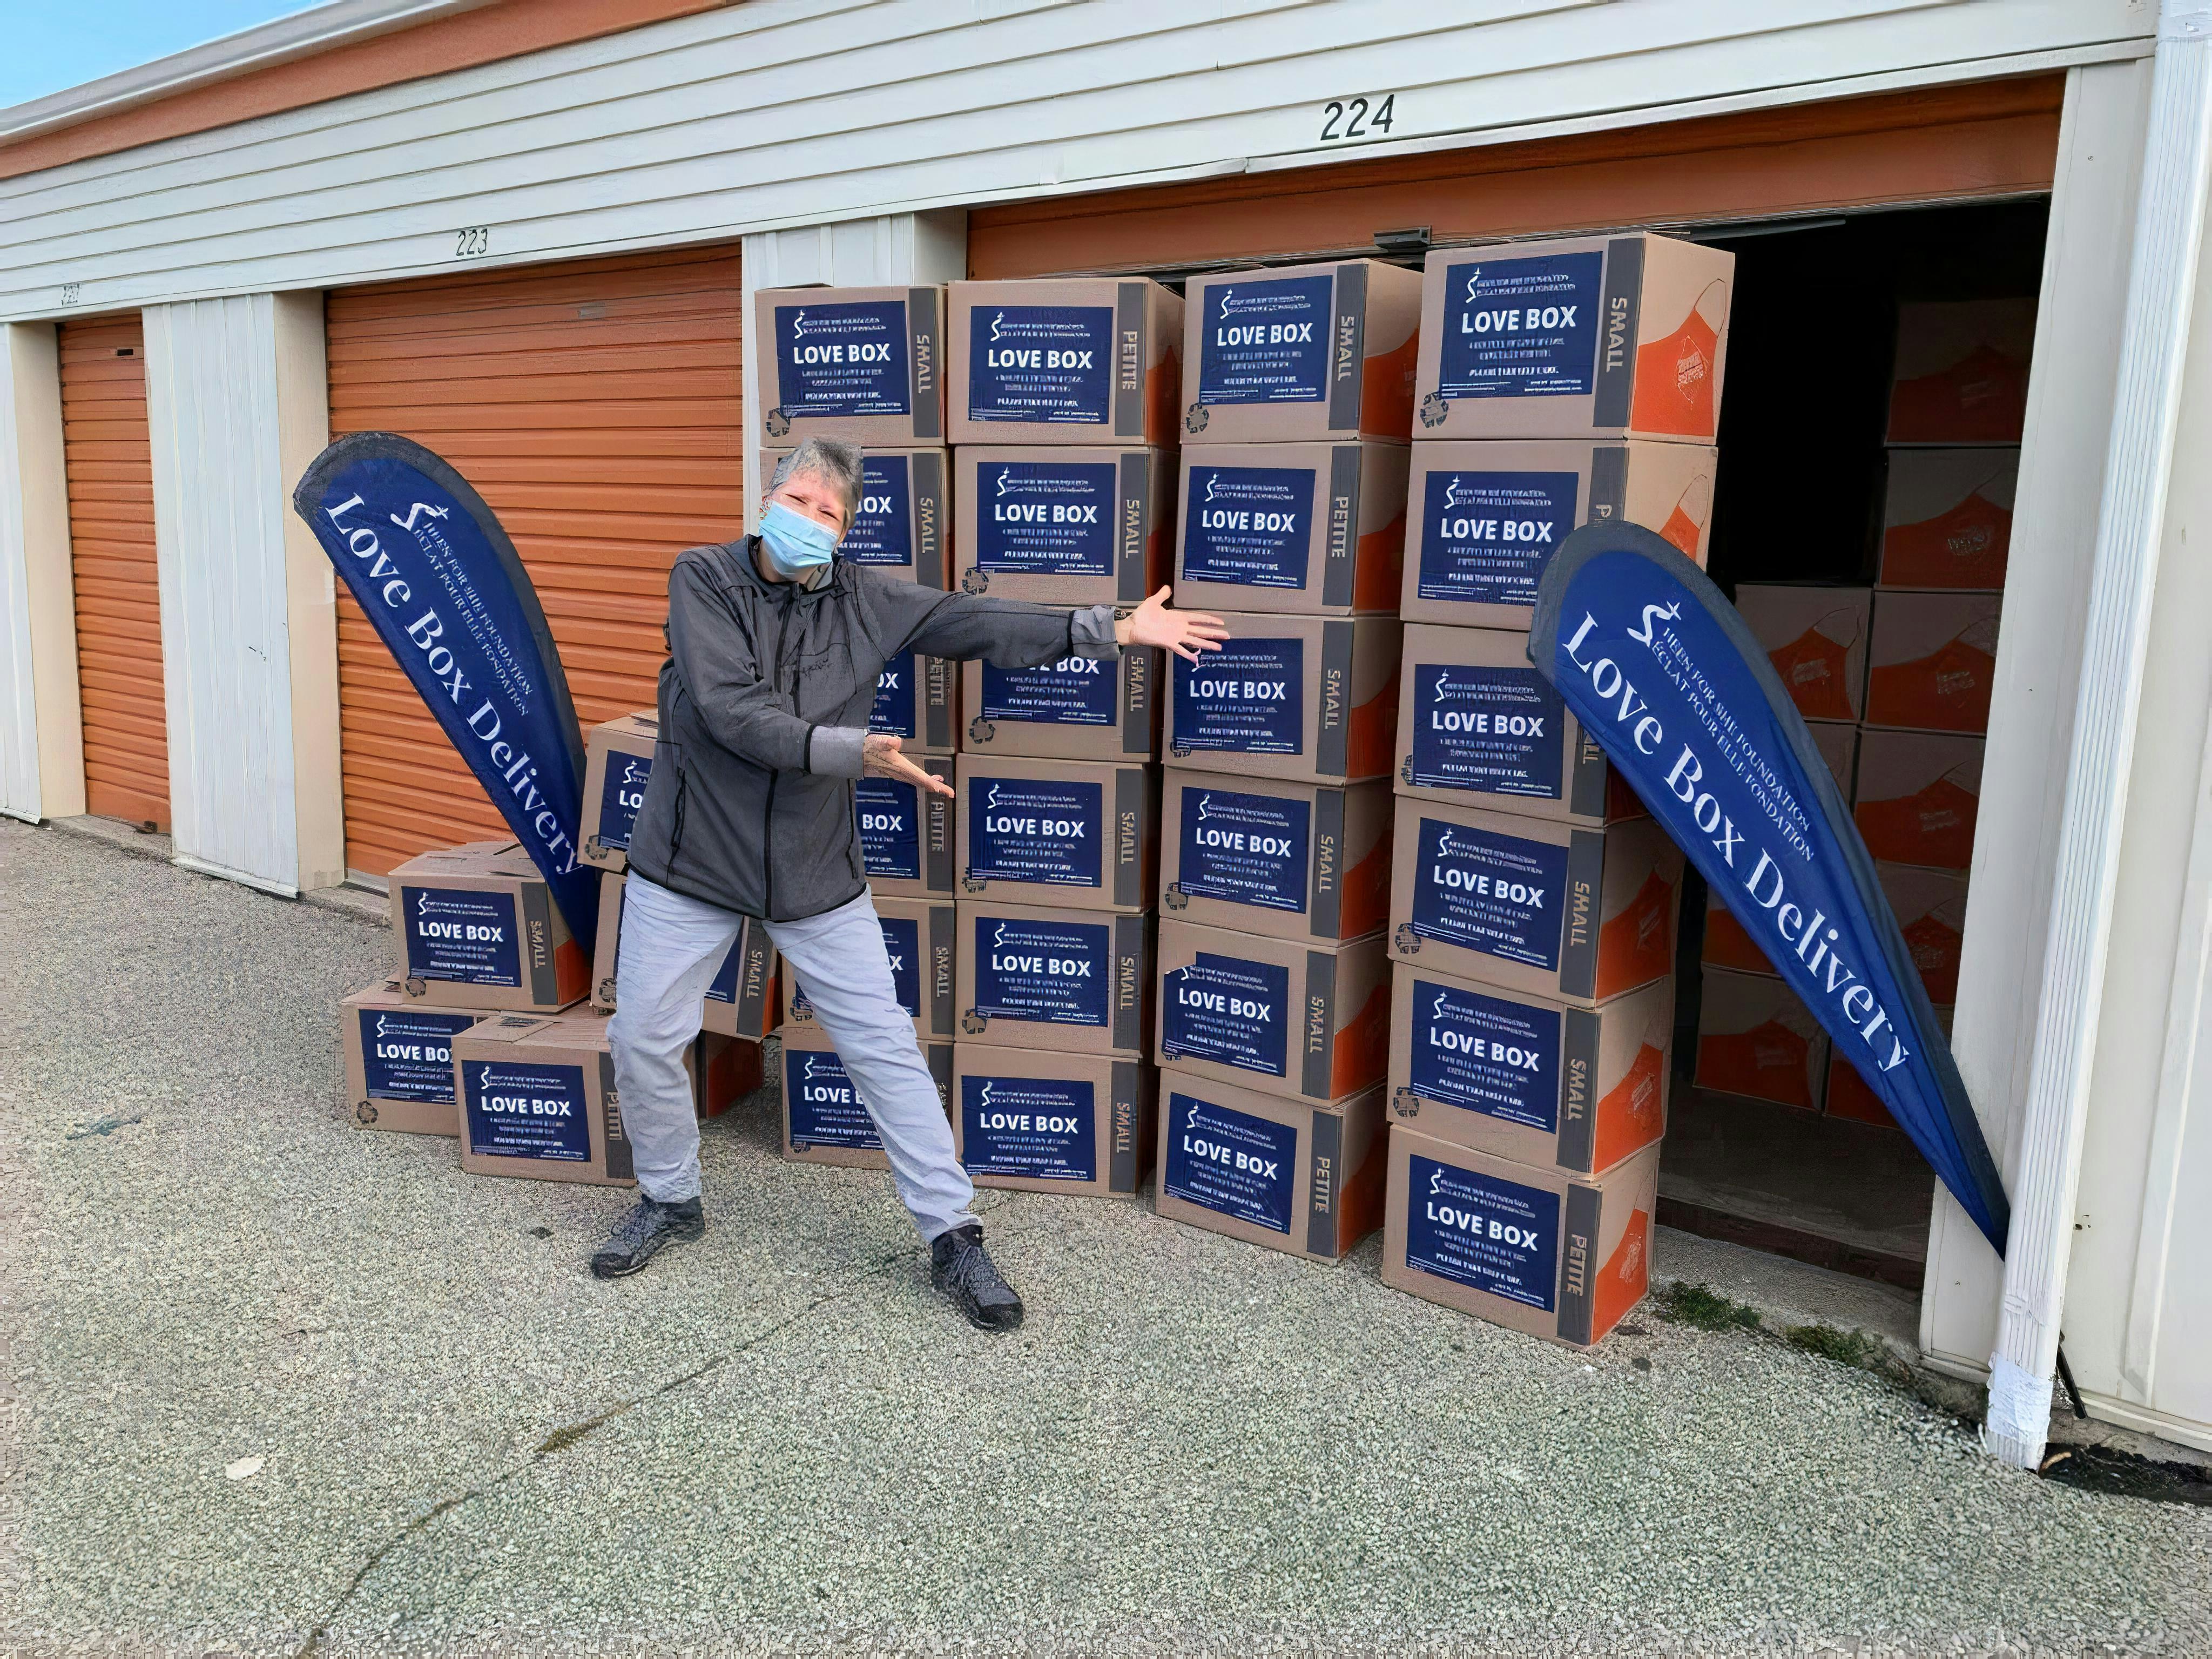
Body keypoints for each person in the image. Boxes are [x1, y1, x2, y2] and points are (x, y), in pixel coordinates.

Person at [597, 437, 1227, 1330]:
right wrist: (854, 752)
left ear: (846, 528)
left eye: (829, 512)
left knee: (884, 1049)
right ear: (767, 498)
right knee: (643, 1038)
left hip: (813, 868)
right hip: (691, 856)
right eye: (798, 500)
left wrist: (1112, 628)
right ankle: (670, 1197)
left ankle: (954, 1236)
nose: (809, 520)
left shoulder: (868, 599)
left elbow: (979, 622)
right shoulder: (703, 578)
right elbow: (730, 709)